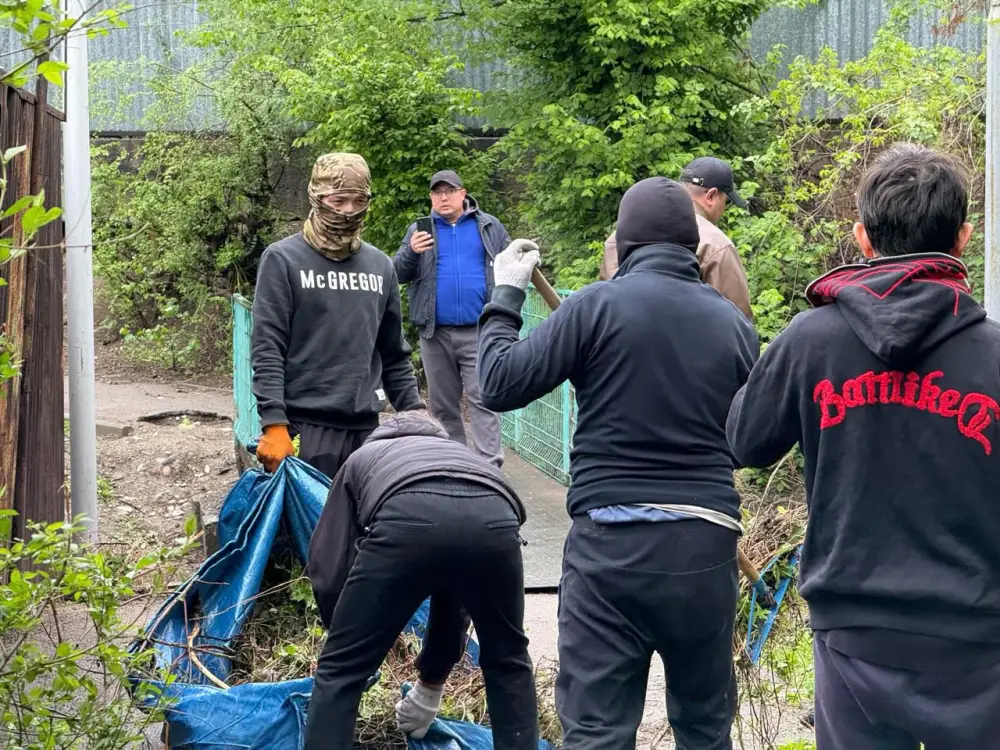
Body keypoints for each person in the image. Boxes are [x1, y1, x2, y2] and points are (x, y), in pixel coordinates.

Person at [726, 143, 1000, 750]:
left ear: (862, 238)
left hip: (855, 636)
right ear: (963, 238)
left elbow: (744, 440)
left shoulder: (811, 341)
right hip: (977, 642)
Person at [478, 178, 758, 749]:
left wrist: (506, 294)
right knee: (705, 730)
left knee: (598, 732)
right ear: (691, 246)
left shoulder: (593, 308)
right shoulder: (732, 323)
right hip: (703, 550)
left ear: (624, 247)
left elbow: (498, 383)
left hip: (610, 550)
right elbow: (750, 439)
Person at [305, 410, 538, 749]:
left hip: (405, 516)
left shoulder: (363, 457)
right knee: (508, 661)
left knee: (340, 673)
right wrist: (432, 682)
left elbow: (330, 562)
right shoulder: (464, 455)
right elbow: (454, 593)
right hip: (496, 523)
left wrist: (345, 638)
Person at [251, 153, 424, 479]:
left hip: (368, 432)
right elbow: (267, 346)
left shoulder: (380, 266)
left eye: (358, 200)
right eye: (339, 200)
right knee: (311, 530)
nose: (348, 210)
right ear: (317, 197)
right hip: (305, 429)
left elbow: (393, 353)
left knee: (366, 528)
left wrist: (416, 414)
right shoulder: (283, 260)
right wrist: (273, 422)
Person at [394, 170, 512, 467]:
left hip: (479, 330)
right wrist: (411, 251)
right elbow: (396, 272)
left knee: (484, 400)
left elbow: (510, 267)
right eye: (437, 193)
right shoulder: (419, 230)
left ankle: (489, 469)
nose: (443, 197)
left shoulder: (488, 226)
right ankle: (454, 466)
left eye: (449, 191)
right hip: (435, 334)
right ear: (431, 198)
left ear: (463, 194)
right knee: (443, 407)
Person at [599, 157, 753, 320]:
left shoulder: (617, 237)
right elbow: (737, 320)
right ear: (711, 196)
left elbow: (605, 298)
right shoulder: (716, 245)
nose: (723, 209)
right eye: (726, 201)